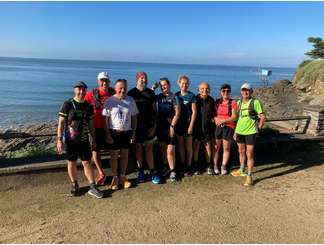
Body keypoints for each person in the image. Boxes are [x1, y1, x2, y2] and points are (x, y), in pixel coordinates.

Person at [57, 81, 104, 198]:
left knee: (87, 162)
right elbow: (61, 123)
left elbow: (91, 124)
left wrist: (94, 139)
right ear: (74, 90)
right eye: (79, 89)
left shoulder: (88, 106)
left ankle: (92, 186)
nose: (81, 92)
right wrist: (59, 139)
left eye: (83, 90)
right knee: (71, 162)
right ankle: (74, 184)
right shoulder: (67, 104)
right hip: (70, 140)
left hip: (84, 140)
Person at [102, 79, 138, 190]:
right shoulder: (110, 101)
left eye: (124, 88)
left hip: (126, 132)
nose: (122, 90)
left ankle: (122, 176)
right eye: (120, 88)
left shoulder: (130, 100)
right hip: (114, 132)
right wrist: (107, 135)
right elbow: (105, 120)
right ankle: (115, 178)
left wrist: (133, 134)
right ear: (115, 88)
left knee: (125, 155)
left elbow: (134, 117)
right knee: (113, 156)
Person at [127, 72, 161, 184]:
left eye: (145, 78)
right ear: (137, 79)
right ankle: (141, 171)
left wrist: (154, 126)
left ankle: (152, 171)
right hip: (136, 127)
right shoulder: (131, 93)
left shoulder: (151, 93)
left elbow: (155, 111)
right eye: (141, 78)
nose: (143, 80)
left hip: (149, 126)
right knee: (138, 149)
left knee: (149, 149)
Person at [231, 82, 266, 186]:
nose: (245, 92)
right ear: (241, 92)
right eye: (243, 90)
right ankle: (242, 169)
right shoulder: (239, 103)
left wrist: (258, 129)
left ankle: (249, 176)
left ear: (251, 91)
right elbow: (237, 118)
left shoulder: (255, 102)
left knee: (249, 154)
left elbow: (263, 117)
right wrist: (235, 131)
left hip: (251, 132)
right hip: (240, 131)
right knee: (241, 151)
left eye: (247, 90)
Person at [85, 72, 115, 186]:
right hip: (95, 128)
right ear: (98, 81)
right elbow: (84, 107)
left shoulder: (114, 93)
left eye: (106, 80)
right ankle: (101, 173)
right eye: (102, 80)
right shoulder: (91, 94)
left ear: (109, 82)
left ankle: (115, 174)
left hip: (111, 127)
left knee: (113, 151)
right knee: (95, 151)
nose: (104, 83)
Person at [156, 78, 181, 182]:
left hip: (170, 127)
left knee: (170, 150)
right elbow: (150, 99)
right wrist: (153, 88)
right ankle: (165, 167)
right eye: (161, 85)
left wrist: (172, 126)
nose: (163, 87)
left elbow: (177, 113)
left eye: (165, 84)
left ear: (169, 85)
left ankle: (173, 171)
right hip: (160, 126)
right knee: (162, 149)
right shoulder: (159, 97)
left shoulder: (174, 97)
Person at [213, 84, 238, 175]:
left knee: (226, 148)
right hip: (218, 127)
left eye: (228, 91)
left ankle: (223, 166)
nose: (226, 93)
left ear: (230, 92)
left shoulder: (233, 103)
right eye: (224, 91)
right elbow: (214, 115)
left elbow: (234, 117)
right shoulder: (217, 102)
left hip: (228, 127)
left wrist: (223, 121)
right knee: (216, 147)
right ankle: (215, 165)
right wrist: (216, 120)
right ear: (220, 92)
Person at [175, 75, 197, 177]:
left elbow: (194, 112)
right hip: (179, 125)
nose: (184, 85)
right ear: (179, 84)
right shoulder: (176, 95)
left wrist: (191, 126)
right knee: (181, 146)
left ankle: (189, 166)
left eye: (186, 83)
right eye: (182, 83)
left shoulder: (192, 96)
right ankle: (182, 164)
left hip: (188, 125)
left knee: (188, 146)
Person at [192, 82, 215, 175]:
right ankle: (195, 165)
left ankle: (209, 165)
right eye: (202, 88)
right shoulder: (195, 99)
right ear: (198, 90)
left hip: (207, 128)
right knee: (196, 147)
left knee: (208, 147)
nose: (204, 90)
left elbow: (214, 114)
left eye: (206, 88)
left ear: (209, 90)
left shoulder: (211, 100)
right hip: (197, 128)